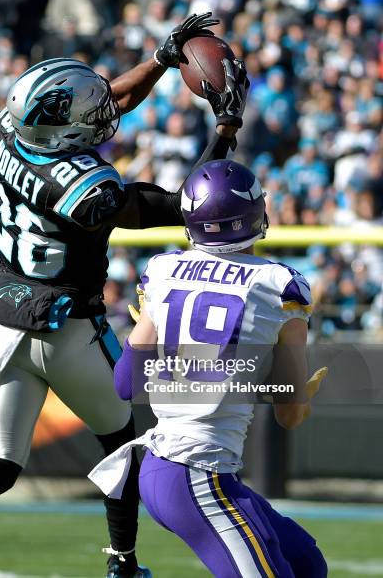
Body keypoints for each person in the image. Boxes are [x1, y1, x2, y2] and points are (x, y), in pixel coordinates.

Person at [0, 13, 250, 578]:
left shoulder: (7, 132)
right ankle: (123, 562)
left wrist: (159, 59)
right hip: (69, 329)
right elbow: (187, 207)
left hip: (4, 319)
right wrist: (224, 130)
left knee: (1, 459)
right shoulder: (90, 190)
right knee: (121, 448)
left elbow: (105, 105)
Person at [90, 159, 328, 577]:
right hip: (199, 475)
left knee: (305, 564)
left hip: (166, 470)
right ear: (256, 214)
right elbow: (289, 415)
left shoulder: (164, 271)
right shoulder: (281, 285)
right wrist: (297, 395)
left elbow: (127, 385)